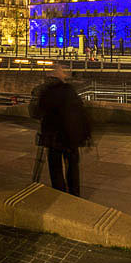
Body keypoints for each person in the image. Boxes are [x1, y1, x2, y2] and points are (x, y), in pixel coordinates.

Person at [31, 64, 92, 197]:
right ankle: (75, 193)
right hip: (71, 136)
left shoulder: (46, 92)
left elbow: (35, 113)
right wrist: (86, 134)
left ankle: (60, 192)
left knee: (55, 167)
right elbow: (81, 113)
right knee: (73, 167)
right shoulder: (70, 91)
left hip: (53, 137)